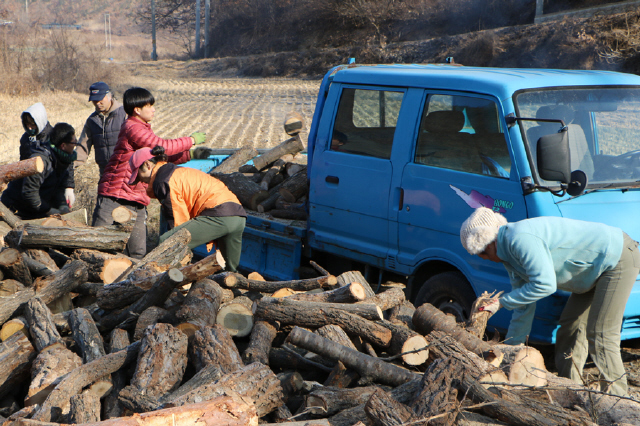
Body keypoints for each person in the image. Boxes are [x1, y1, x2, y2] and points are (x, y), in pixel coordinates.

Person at [460, 207, 640, 396]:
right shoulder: (508, 256)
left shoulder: (520, 239)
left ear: (487, 244)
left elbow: (545, 285)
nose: (484, 259)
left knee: (601, 333)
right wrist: (509, 354)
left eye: (481, 254)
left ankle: (618, 401)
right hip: (593, 272)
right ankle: (570, 391)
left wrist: (501, 302)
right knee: (571, 327)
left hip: (617, 259)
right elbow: (523, 305)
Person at [92, 87, 206, 259]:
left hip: (136, 198)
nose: (153, 109)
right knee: (99, 247)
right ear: (137, 110)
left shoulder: (144, 130)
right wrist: (190, 140)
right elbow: (159, 145)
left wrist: (189, 155)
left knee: (137, 253)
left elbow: (158, 157)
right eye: (150, 105)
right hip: (114, 194)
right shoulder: (132, 127)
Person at [128, 146, 246, 272]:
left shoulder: (162, 181)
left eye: (138, 175)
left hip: (219, 213)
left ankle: (153, 280)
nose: (140, 181)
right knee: (229, 271)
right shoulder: (173, 171)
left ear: (147, 165)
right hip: (238, 215)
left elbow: (178, 221)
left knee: (166, 242)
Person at [2, 123, 78, 219]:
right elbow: (29, 192)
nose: (75, 145)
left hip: (35, 207)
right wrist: (48, 210)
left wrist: (62, 204)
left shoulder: (64, 159)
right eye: (74, 143)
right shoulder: (41, 161)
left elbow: (58, 187)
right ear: (63, 146)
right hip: (16, 209)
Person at [76, 82, 127, 176]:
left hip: (126, 170)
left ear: (109, 96)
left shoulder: (124, 114)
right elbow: (83, 146)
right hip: (105, 172)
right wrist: (71, 164)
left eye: (100, 99)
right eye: (94, 100)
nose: (97, 103)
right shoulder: (92, 121)